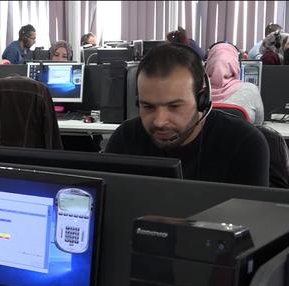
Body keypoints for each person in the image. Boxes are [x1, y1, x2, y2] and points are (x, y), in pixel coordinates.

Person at [105, 44, 269, 187]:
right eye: (148, 106)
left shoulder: (243, 144)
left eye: (174, 106)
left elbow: (250, 219)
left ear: (201, 100)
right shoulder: (124, 139)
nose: (160, 121)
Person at [206, 42, 265, 125]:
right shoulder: (251, 90)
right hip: (242, 137)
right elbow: (259, 125)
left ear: (208, 64)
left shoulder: (196, 91)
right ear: (235, 64)